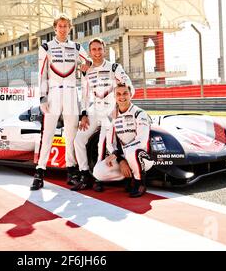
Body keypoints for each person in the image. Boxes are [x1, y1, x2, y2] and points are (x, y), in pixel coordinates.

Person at [31, 13, 91, 191]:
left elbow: (87, 61)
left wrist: (86, 66)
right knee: (48, 133)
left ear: (70, 28)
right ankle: (40, 171)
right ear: (55, 28)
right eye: (60, 26)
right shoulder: (46, 47)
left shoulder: (77, 46)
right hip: (54, 94)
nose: (63, 29)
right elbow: (41, 73)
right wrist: (42, 96)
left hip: (72, 93)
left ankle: (71, 171)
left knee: (71, 135)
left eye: (66, 26)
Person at [71, 38, 134, 191]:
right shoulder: (87, 70)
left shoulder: (114, 67)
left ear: (104, 50)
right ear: (90, 52)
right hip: (94, 109)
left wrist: (120, 106)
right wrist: (84, 114)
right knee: (78, 139)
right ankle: (85, 174)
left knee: (102, 143)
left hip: (111, 109)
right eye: (94, 50)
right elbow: (85, 94)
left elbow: (130, 88)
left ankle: (99, 179)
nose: (97, 52)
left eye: (100, 49)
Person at [92, 83, 152, 197]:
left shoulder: (140, 113)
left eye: (125, 93)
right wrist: (120, 159)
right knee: (98, 171)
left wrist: (121, 154)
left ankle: (140, 182)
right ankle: (128, 177)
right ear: (115, 97)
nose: (122, 96)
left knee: (131, 151)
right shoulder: (112, 117)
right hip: (125, 156)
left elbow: (142, 141)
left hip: (143, 157)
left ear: (130, 95)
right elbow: (110, 143)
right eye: (118, 94)